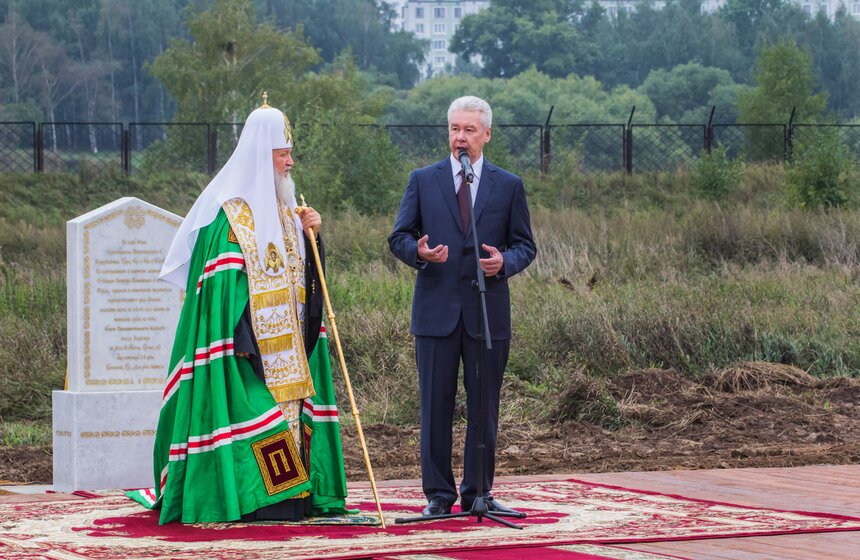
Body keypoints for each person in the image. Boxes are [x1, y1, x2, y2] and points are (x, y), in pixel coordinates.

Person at [127, 95, 350, 524]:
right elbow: (220, 294)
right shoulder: (228, 219)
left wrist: (313, 239)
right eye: (283, 154)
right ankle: (255, 499)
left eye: (290, 153)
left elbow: (305, 280)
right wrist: (247, 341)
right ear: (261, 157)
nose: (290, 163)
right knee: (255, 415)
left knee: (290, 415)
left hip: (292, 348)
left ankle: (296, 497)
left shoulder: (289, 214)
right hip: (243, 349)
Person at [388, 96, 537, 516]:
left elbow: (526, 245)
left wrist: (503, 263)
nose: (460, 137)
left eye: (469, 130)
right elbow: (398, 236)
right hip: (436, 314)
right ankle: (438, 495)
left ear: (486, 134)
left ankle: (478, 494)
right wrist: (418, 252)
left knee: (484, 407)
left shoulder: (507, 185)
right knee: (435, 407)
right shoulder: (423, 179)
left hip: (486, 314)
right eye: (455, 129)